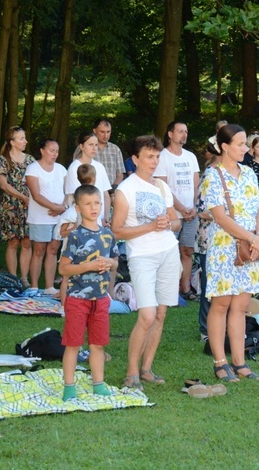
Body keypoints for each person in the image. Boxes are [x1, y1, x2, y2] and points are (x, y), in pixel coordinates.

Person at [112, 135, 181, 390]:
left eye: (157, 157)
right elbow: (117, 231)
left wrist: (168, 224)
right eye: (149, 157)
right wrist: (151, 226)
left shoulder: (162, 188)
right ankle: (131, 373)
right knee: (147, 315)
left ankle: (146, 368)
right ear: (135, 159)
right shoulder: (125, 190)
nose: (154, 162)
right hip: (141, 256)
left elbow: (177, 222)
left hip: (168, 252)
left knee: (161, 314)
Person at [201, 124, 259, 382]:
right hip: (225, 248)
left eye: (246, 144)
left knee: (241, 305)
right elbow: (219, 217)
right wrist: (251, 237)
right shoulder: (212, 176)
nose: (245, 149)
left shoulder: (250, 173)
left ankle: (240, 362)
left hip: (251, 247)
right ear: (225, 147)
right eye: (240, 144)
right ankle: (220, 363)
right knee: (221, 304)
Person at [58, 184, 119, 401]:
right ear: (77, 208)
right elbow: (63, 269)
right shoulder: (75, 236)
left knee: (98, 344)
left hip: (101, 299)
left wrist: (109, 263)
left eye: (97, 203)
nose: (93, 207)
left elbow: (115, 262)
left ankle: (98, 383)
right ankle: (69, 386)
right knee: (73, 344)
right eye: (87, 204)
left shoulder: (108, 235)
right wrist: (89, 266)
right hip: (77, 299)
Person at [154, 121, 200, 301]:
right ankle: (167, 289)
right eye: (180, 131)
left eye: (186, 132)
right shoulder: (162, 157)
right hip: (172, 214)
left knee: (187, 250)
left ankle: (185, 287)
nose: (184, 135)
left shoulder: (191, 157)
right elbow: (162, 186)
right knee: (169, 252)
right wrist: (181, 208)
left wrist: (194, 206)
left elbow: (197, 184)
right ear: (170, 134)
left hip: (191, 213)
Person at [25, 139, 67, 295]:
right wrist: (55, 207)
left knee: (53, 250)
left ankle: (49, 287)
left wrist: (61, 208)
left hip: (58, 217)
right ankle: (34, 286)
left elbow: (67, 191)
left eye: (56, 151)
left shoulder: (62, 169)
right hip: (40, 217)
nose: (55, 154)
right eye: (51, 150)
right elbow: (36, 195)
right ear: (42, 151)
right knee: (39, 251)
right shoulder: (33, 169)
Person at [0, 126, 35, 287]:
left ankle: (24, 278)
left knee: (27, 242)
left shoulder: (31, 160)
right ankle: (12, 278)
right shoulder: (3, 160)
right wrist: (23, 197)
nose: (25, 141)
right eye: (21, 138)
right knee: (13, 242)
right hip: (11, 206)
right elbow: (3, 185)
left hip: (29, 206)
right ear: (12, 141)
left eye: (24, 138)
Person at [55, 164, 96, 305]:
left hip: (87, 244)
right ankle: (65, 305)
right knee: (67, 276)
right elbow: (62, 232)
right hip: (75, 245)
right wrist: (76, 228)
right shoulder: (74, 210)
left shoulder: (82, 199)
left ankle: (79, 303)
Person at [195, 136, 221, 341]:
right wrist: (224, 217)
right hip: (209, 238)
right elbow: (201, 210)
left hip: (228, 239)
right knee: (209, 284)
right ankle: (205, 329)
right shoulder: (209, 175)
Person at [66, 130, 113, 226]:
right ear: (81, 146)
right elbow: (77, 197)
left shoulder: (100, 166)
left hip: (100, 220)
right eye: (90, 144)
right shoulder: (74, 167)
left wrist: (106, 217)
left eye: (96, 145)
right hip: (81, 221)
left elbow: (105, 194)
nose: (94, 148)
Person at [72, 118, 126, 189]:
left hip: (112, 191)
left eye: (108, 132)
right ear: (94, 131)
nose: (105, 136)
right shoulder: (82, 148)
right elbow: (76, 170)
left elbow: (120, 174)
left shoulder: (115, 149)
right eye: (102, 132)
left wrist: (113, 188)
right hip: (88, 191)